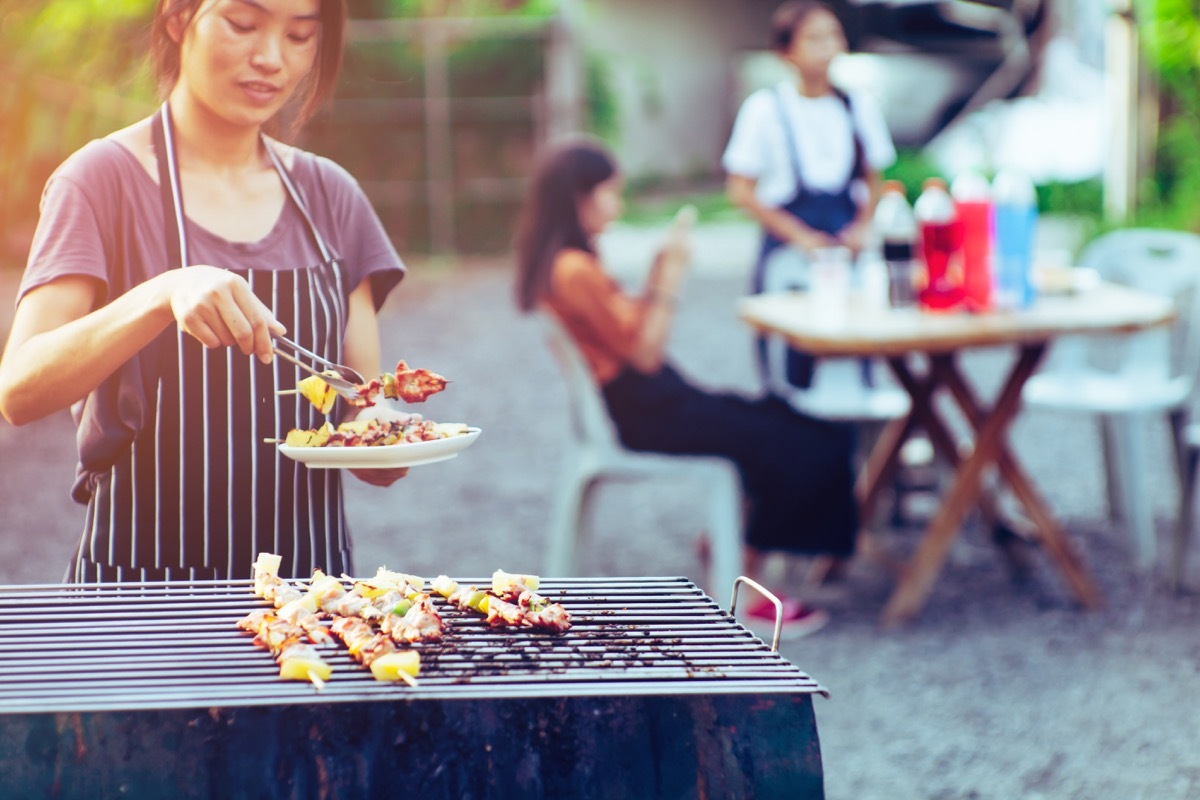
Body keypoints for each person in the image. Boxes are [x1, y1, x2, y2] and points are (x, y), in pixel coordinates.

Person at [0, 0, 407, 583]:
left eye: (298, 35)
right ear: (176, 19)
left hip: (310, 601)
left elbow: (360, 403)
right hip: (141, 592)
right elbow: (19, 391)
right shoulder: (98, 181)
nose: (270, 58)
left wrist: (385, 438)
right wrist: (163, 293)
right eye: (243, 25)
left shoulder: (331, 196)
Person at [514, 138, 859, 637]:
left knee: (780, 418)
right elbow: (645, 353)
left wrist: (654, 275)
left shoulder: (569, 263)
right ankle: (744, 582)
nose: (619, 204)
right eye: (611, 193)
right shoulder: (572, 270)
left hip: (652, 400)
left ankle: (735, 550)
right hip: (643, 412)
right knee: (791, 436)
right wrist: (669, 278)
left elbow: (627, 329)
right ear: (579, 197)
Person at [723, 0, 896, 396]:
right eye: (814, 38)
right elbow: (741, 190)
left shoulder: (857, 105)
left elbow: (874, 178)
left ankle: (860, 440)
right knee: (791, 349)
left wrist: (862, 226)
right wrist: (799, 236)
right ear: (786, 52)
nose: (828, 46)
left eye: (833, 36)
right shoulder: (765, 110)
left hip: (844, 240)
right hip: (790, 245)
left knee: (857, 340)